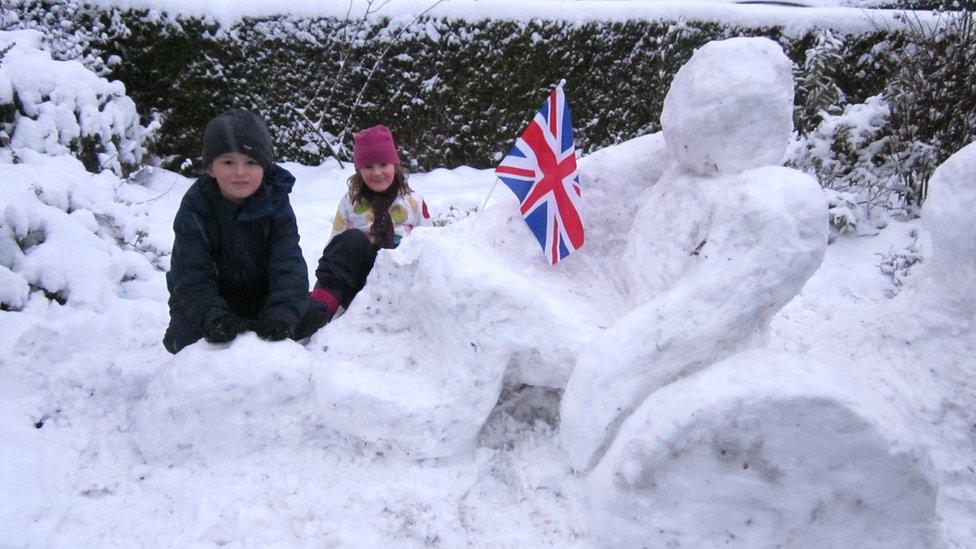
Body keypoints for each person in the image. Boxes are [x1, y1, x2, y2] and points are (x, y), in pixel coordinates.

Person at [163, 108, 314, 354]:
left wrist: (281, 313)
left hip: (261, 297)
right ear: (211, 168)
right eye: (228, 162)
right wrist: (213, 317)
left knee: (306, 315)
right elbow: (191, 274)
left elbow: (288, 265)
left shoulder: (276, 204)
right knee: (188, 342)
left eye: (251, 162)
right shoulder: (195, 208)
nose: (240, 172)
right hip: (211, 298)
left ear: (265, 167)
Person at [307, 125, 431, 326]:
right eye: (368, 167)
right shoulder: (350, 202)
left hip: (397, 284)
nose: (377, 173)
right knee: (349, 240)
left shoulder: (413, 201)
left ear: (395, 165)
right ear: (359, 170)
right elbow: (335, 249)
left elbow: (430, 241)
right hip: (358, 283)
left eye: (383, 164)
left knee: (403, 248)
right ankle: (320, 309)